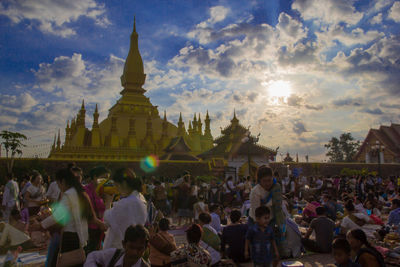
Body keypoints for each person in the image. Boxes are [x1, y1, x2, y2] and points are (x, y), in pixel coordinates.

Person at [37, 168, 93, 267]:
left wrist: (40, 225)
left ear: (62, 181)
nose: (59, 187)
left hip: (70, 236)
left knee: (68, 262)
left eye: (58, 184)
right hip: (78, 236)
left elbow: (58, 216)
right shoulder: (78, 192)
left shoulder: (69, 194)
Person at [103, 168, 147, 249]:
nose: (117, 189)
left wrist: (108, 202)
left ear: (123, 184)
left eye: (116, 185)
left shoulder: (126, 203)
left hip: (119, 248)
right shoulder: (140, 197)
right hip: (133, 245)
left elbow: (107, 221)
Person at [85, 224, 150, 267]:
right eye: (131, 247)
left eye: (139, 249)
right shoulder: (114, 254)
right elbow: (92, 256)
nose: (134, 252)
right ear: (123, 244)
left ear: (145, 248)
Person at [84, 166, 109, 253]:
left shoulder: (105, 191)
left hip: (101, 228)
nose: (106, 180)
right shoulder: (85, 190)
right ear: (95, 177)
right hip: (89, 229)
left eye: (107, 178)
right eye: (103, 177)